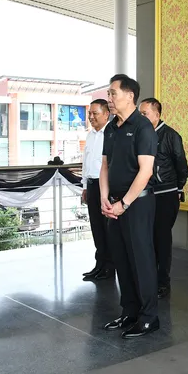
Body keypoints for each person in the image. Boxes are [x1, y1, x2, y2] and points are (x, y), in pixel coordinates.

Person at [100, 74, 159, 338]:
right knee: (121, 258)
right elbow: (105, 165)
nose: (109, 98)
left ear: (130, 95)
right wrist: (105, 197)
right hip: (114, 204)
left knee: (141, 260)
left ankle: (149, 318)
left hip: (137, 203)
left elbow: (145, 171)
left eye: (113, 93)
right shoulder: (111, 128)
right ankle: (130, 311)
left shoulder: (143, 127)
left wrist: (124, 203)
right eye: (108, 93)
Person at [138, 97, 188, 299]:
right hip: (146, 194)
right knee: (147, 238)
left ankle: (163, 282)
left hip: (166, 194)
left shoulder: (171, 135)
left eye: (145, 114)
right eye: (140, 114)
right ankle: (149, 280)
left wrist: (178, 188)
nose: (141, 117)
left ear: (157, 114)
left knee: (162, 239)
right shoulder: (141, 135)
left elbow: (182, 166)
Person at [80, 99, 114, 280]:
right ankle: (99, 265)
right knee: (96, 228)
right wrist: (85, 186)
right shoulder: (91, 135)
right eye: (89, 114)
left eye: (95, 113)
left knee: (107, 229)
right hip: (92, 185)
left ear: (106, 114)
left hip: (106, 187)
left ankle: (109, 267)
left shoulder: (111, 133)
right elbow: (85, 163)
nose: (91, 117)